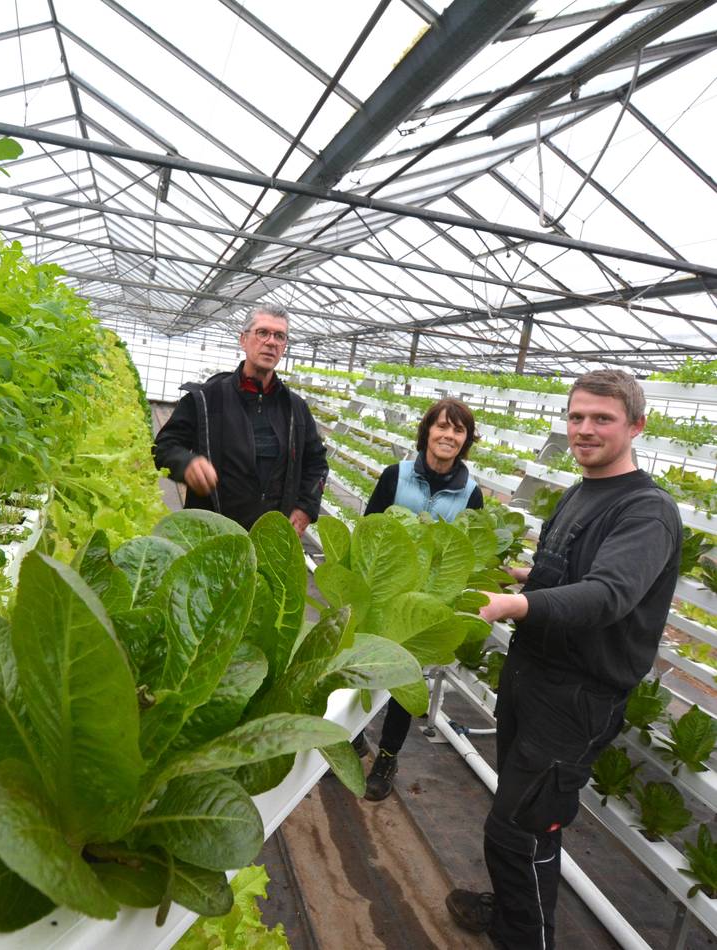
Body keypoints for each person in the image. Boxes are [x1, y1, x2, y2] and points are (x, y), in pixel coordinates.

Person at [446, 369, 682, 950]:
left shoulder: (646, 510)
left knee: (517, 829)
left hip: (576, 697)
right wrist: (524, 575)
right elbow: (573, 573)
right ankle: (513, 913)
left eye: (602, 418)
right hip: (533, 675)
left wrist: (513, 604)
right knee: (528, 819)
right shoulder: (582, 492)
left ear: (637, 426)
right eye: (576, 416)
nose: (585, 429)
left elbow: (607, 595)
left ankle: (524, 937)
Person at [359, 397, 484, 801]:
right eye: (442, 426)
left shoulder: (471, 494)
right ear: (427, 431)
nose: (449, 435)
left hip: (423, 604)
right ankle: (351, 736)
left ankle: (387, 756)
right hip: (382, 591)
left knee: (405, 680)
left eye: (458, 430)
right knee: (361, 664)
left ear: (466, 441)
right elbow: (369, 529)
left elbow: (468, 554)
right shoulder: (395, 476)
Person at [152, 302, 328, 534]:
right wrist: (187, 464)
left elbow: (317, 463)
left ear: (284, 346)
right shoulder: (205, 398)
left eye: (279, 336)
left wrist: (306, 506)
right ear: (243, 339)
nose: (271, 342)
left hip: (269, 539)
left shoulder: (296, 409)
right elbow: (164, 447)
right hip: (211, 534)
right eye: (262, 333)